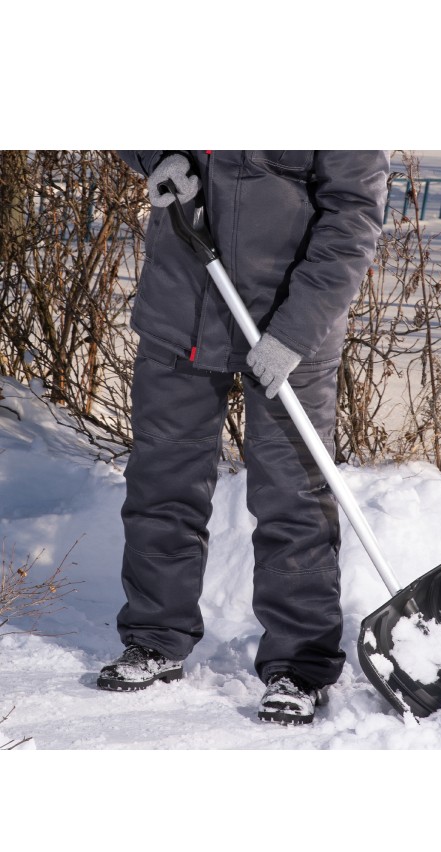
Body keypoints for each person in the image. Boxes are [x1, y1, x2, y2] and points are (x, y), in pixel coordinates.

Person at [97, 150, 390, 725]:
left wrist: (296, 330)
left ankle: (299, 664)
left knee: (294, 498)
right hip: (180, 308)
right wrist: (156, 157)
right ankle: (156, 637)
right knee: (162, 483)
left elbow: (353, 213)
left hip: (287, 324)